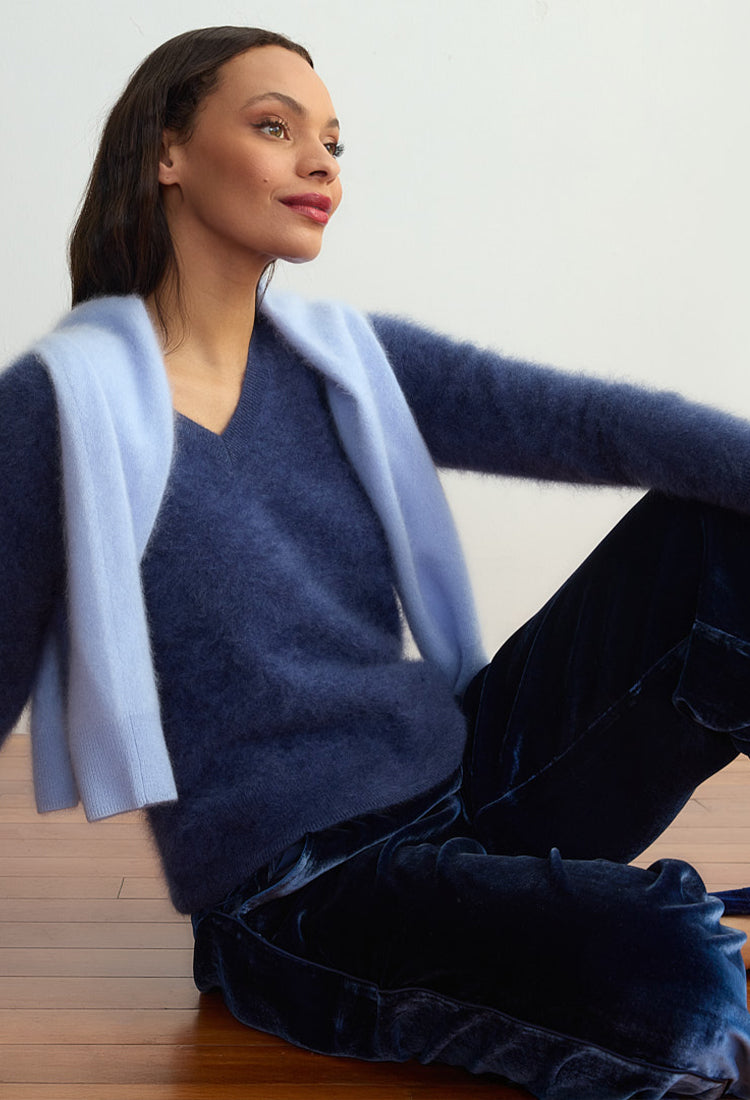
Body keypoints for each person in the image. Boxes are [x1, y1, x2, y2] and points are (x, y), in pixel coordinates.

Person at [2, 24, 750, 1100]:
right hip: (304, 888)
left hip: (464, 773)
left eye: (335, 143)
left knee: (719, 537)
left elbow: (593, 423)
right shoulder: (57, 413)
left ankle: (557, 905)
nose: (322, 165)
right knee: (679, 990)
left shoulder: (345, 362)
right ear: (167, 151)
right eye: (276, 127)